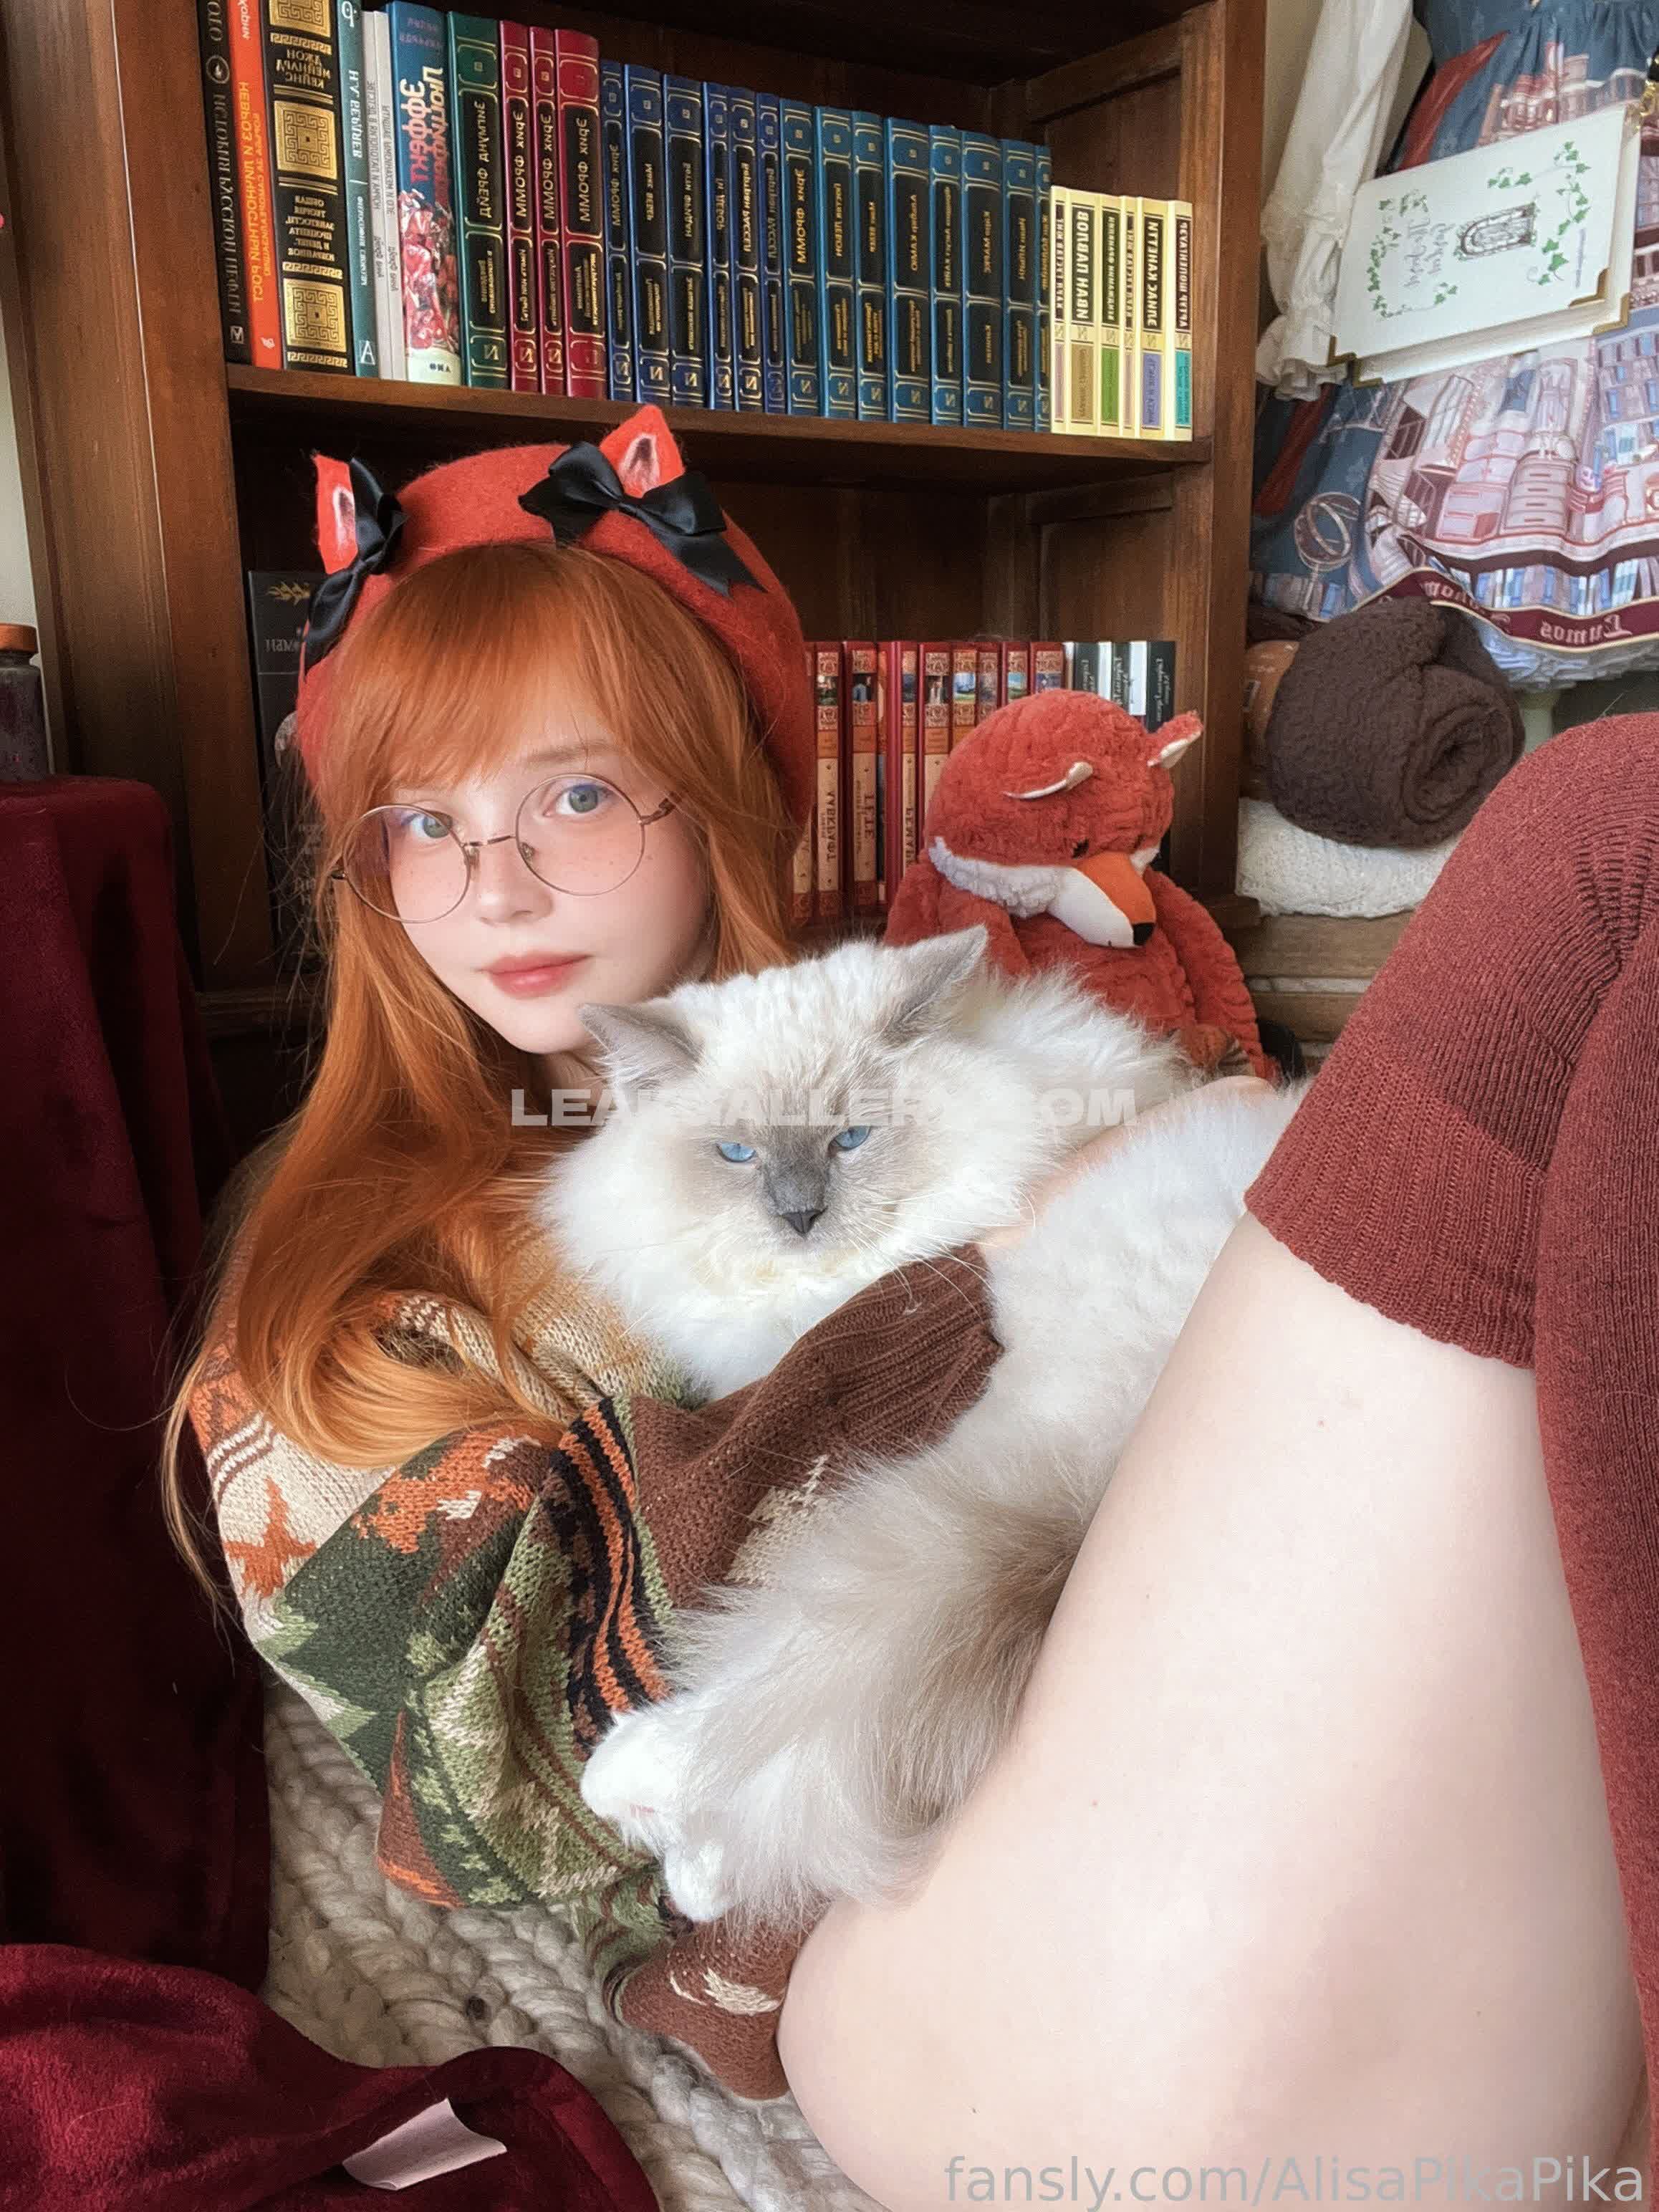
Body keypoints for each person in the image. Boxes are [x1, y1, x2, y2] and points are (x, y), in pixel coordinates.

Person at [165, 403, 1655, 2193]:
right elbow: (525, 1794)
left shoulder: (913, 1031)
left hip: (1261, 1680)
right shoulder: (329, 1277)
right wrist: (983, 1285)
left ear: (721, 784)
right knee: (1599, 843)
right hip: (883, 1926)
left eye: (573, 792)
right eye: (424, 821)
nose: (498, 885)